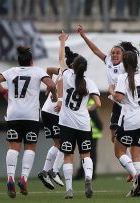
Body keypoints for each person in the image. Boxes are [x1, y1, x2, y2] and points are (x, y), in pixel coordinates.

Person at [0, 46, 57, 198]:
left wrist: (4, 93)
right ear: (31, 61)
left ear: (19, 60)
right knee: (30, 147)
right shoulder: (37, 71)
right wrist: (53, 95)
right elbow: (52, 84)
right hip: (31, 116)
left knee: (13, 147)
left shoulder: (11, 71)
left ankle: (9, 178)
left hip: (13, 115)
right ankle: (23, 179)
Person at [76, 25, 139, 181]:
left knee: (125, 137)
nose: (114, 55)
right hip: (116, 105)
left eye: (118, 52)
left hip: (126, 105)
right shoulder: (108, 62)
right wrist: (84, 36)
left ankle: (133, 170)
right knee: (114, 137)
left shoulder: (127, 68)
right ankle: (130, 165)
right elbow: (96, 50)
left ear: (124, 55)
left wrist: (113, 90)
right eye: (112, 53)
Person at [108, 40, 140, 197]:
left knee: (119, 151)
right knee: (137, 154)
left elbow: (120, 98)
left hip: (129, 122)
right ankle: (136, 188)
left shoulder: (122, 78)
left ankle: (135, 175)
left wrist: (112, 92)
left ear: (124, 64)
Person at [56, 51, 101, 199]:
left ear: (73, 66)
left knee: (68, 156)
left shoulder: (67, 75)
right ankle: (88, 177)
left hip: (67, 124)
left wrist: (62, 42)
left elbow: (61, 59)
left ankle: (69, 189)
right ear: (85, 68)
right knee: (86, 155)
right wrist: (86, 108)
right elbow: (98, 103)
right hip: (83, 124)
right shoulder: (90, 82)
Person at [38, 33, 79, 190]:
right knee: (64, 143)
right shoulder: (67, 73)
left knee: (59, 143)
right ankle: (52, 171)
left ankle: (47, 171)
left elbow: (49, 68)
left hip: (49, 110)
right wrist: (50, 89)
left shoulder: (65, 71)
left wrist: (49, 88)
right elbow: (59, 61)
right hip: (53, 111)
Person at [75, 98, 103, 180]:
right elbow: (97, 121)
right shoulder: (89, 102)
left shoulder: (89, 102)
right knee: (87, 154)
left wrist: (100, 126)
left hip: (91, 133)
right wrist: (100, 126)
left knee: (87, 154)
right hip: (89, 133)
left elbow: (95, 118)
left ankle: (89, 174)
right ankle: (87, 173)